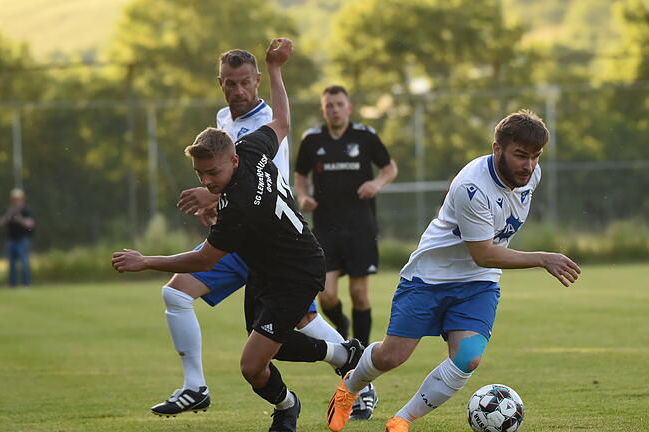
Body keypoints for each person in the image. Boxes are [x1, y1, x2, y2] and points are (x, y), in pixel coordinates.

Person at [113, 38, 332, 432]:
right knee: (269, 332)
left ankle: (349, 365)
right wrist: (215, 196)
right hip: (246, 239)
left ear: (257, 81)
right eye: (229, 83)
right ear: (220, 83)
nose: (236, 90)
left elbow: (254, 193)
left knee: (275, 334)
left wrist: (147, 259)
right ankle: (202, 386)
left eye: (244, 82)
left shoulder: (256, 134)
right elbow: (269, 138)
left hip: (271, 243)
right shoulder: (228, 127)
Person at [325, 110, 582, 432]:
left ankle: (402, 419)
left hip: (478, 282)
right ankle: (350, 386)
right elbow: (484, 254)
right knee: (392, 357)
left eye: (535, 157)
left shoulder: (532, 174)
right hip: (429, 276)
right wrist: (543, 258)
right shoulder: (472, 187)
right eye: (520, 156)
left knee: (469, 356)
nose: (528, 166)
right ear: (496, 149)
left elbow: (482, 264)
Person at [295, 86, 397, 420]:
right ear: (323, 110)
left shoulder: (365, 136)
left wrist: (376, 185)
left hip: (360, 228)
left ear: (349, 107)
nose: (335, 110)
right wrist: (303, 195)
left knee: (359, 293)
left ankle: (361, 357)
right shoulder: (312, 140)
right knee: (326, 296)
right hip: (325, 230)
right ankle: (346, 340)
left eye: (339, 105)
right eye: (329, 106)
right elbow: (299, 175)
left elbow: (389, 168)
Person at [0, 188, 35, 287]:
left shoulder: (26, 210)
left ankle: (26, 283)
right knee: (11, 264)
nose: (16, 201)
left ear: (22, 199)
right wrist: (8, 215)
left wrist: (20, 220)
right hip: (11, 240)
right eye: (14, 199)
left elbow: (30, 225)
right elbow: (0, 223)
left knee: (24, 262)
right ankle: (12, 284)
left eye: (18, 199)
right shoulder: (8, 210)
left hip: (22, 240)